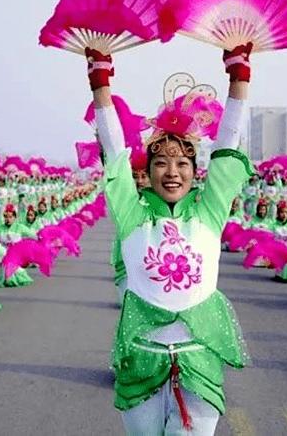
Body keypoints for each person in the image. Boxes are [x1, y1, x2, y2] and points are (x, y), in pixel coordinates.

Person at [87, 43, 253, 435]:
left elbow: (228, 151)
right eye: (161, 162)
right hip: (141, 365)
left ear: (197, 171)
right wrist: (100, 81)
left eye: (182, 163)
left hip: (197, 367)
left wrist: (239, 78)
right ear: (149, 169)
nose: (172, 171)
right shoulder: (132, 216)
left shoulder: (210, 212)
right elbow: (113, 153)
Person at [0, 203, 35, 287]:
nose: (8, 219)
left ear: (14, 218)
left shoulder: (19, 227)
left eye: (10, 217)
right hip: (3, 253)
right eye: (6, 217)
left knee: (18, 275)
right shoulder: (0, 227)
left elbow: (32, 235)